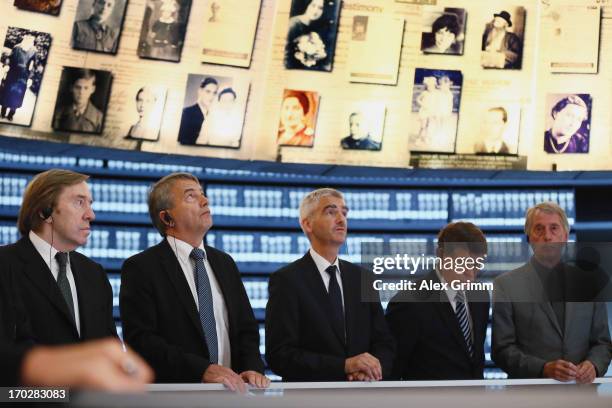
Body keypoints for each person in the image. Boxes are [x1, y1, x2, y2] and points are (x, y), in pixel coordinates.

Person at [120, 173, 268, 390]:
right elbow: (142, 340)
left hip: (233, 394)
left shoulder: (225, 263)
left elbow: (246, 329)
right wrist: (201, 370)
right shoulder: (142, 267)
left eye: (203, 194)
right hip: (176, 396)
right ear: (167, 217)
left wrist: (253, 367)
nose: (205, 201)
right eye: (191, 197)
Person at [265, 188, 395, 381]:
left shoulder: (363, 278)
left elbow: (384, 344)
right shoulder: (287, 281)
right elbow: (280, 355)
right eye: (331, 211)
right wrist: (344, 366)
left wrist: (371, 369)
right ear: (307, 224)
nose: (342, 219)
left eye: (344, 212)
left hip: (363, 395)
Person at [492, 202, 611, 382]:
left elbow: (602, 343)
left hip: (581, 396)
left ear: (565, 235)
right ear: (529, 237)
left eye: (554, 228)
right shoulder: (505, 285)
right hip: (529, 397)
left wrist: (593, 365)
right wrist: (543, 369)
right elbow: (501, 350)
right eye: (539, 229)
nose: (547, 236)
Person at [0, 169, 117, 345]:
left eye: (90, 204)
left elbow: (109, 344)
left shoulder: (95, 274)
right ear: (45, 211)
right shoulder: (5, 265)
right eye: (79, 202)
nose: (91, 215)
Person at [386, 222, 490, 380]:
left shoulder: (480, 295)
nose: (470, 274)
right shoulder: (409, 302)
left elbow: (474, 361)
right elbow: (391, 371)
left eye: (476, 265)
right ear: (441, 255)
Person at [0, 34, 37, 122]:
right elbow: (10, 58)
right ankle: (2, 113)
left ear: (32, 42)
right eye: (26, 39)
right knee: (6, 93)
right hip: (12, 74)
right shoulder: (16, 47)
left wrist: (30, 78)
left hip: (23, 77)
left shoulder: (33, 51)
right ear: (23, 39)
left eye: (30, 40)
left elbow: (33, 65)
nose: (28, 41)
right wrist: (7, 65)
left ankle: (10, 115)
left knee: (17, 96)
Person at [285, 0, 327, 69]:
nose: (315, 10)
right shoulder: (293, 24)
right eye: (313, 5)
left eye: (320, 8)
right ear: (307, 5)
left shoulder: (315, 26)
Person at [178, 77, 218, 145]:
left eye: (214, 93)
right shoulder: (186, 113)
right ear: (200, 91)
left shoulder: (215, 117)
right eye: (208, 91)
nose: (211, 96)